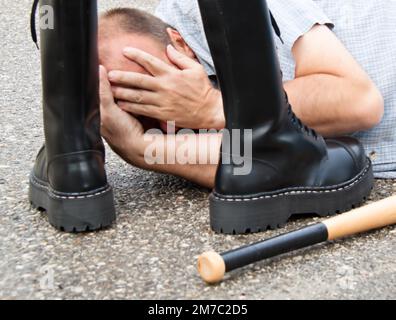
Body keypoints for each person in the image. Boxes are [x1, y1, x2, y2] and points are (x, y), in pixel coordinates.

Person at [99, 0, 395, 191]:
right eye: (142, 114)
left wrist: (213, 107)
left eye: (154, 85)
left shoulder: (210, 8)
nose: (167, 120)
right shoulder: (171, 123)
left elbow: (357, 100)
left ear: (179, 44)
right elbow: (265, 163)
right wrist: (141, 147)